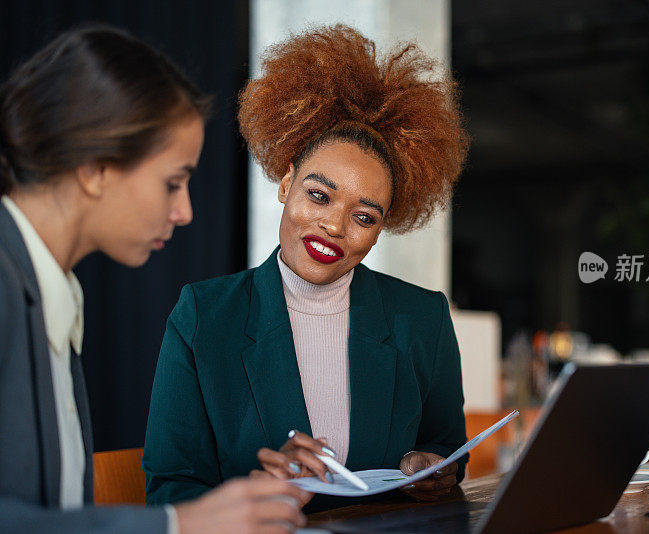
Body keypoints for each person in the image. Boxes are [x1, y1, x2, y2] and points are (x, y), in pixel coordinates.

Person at [143, 24, 470, 513]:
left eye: (364, 216)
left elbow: (447, 448)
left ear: (382, 228)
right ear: (286, 181)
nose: (333, 227)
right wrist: (260, 487)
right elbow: (170, 492)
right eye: (319, 195)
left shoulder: (422, 319)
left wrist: (436, 469)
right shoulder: (204, 317)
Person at [0, 25, 309, 533]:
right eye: (173, 182)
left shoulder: (47, 290)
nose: (185, 211)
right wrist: (177, 525)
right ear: (96, 168)